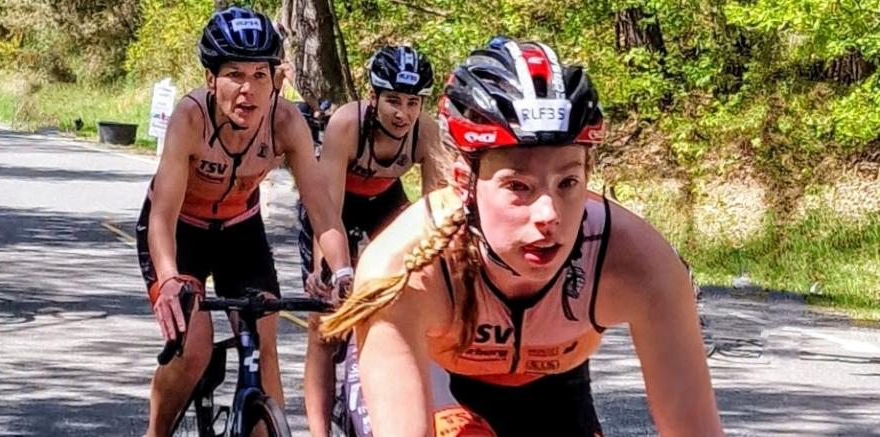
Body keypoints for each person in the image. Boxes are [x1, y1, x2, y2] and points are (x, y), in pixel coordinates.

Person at [321, 38, 723, 436]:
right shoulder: (403, 269)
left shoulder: (638, 260)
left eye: (568, 182)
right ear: (464, 181)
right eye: (518, 186)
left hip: (556, 390)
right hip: (439, 380)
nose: (549, 215)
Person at [134, 7, 355, 436]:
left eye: (261, 75)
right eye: (235, 74)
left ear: (275, 78)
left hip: (240, 230)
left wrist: (343, 271)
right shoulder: (191, 118)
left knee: (263, 343)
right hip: (181, 232)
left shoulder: (287, 122)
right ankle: (156, 432)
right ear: (210, 79)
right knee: (193, 349)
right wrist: (169, 279)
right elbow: (161, 214)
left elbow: (323, 211)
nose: (248, 90)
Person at [298, 45, 443, 437]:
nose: (403, 113)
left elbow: (435, 211)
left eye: (413, 103)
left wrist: (439, 270)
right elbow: (326, 211)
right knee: (324, 326)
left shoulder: (425, 131)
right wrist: (325, 270)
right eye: (393, 100)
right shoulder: (347, 124)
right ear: (372, 96)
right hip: (336, 207)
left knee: (406, 299)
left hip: (386, 204)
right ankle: (318, 432)